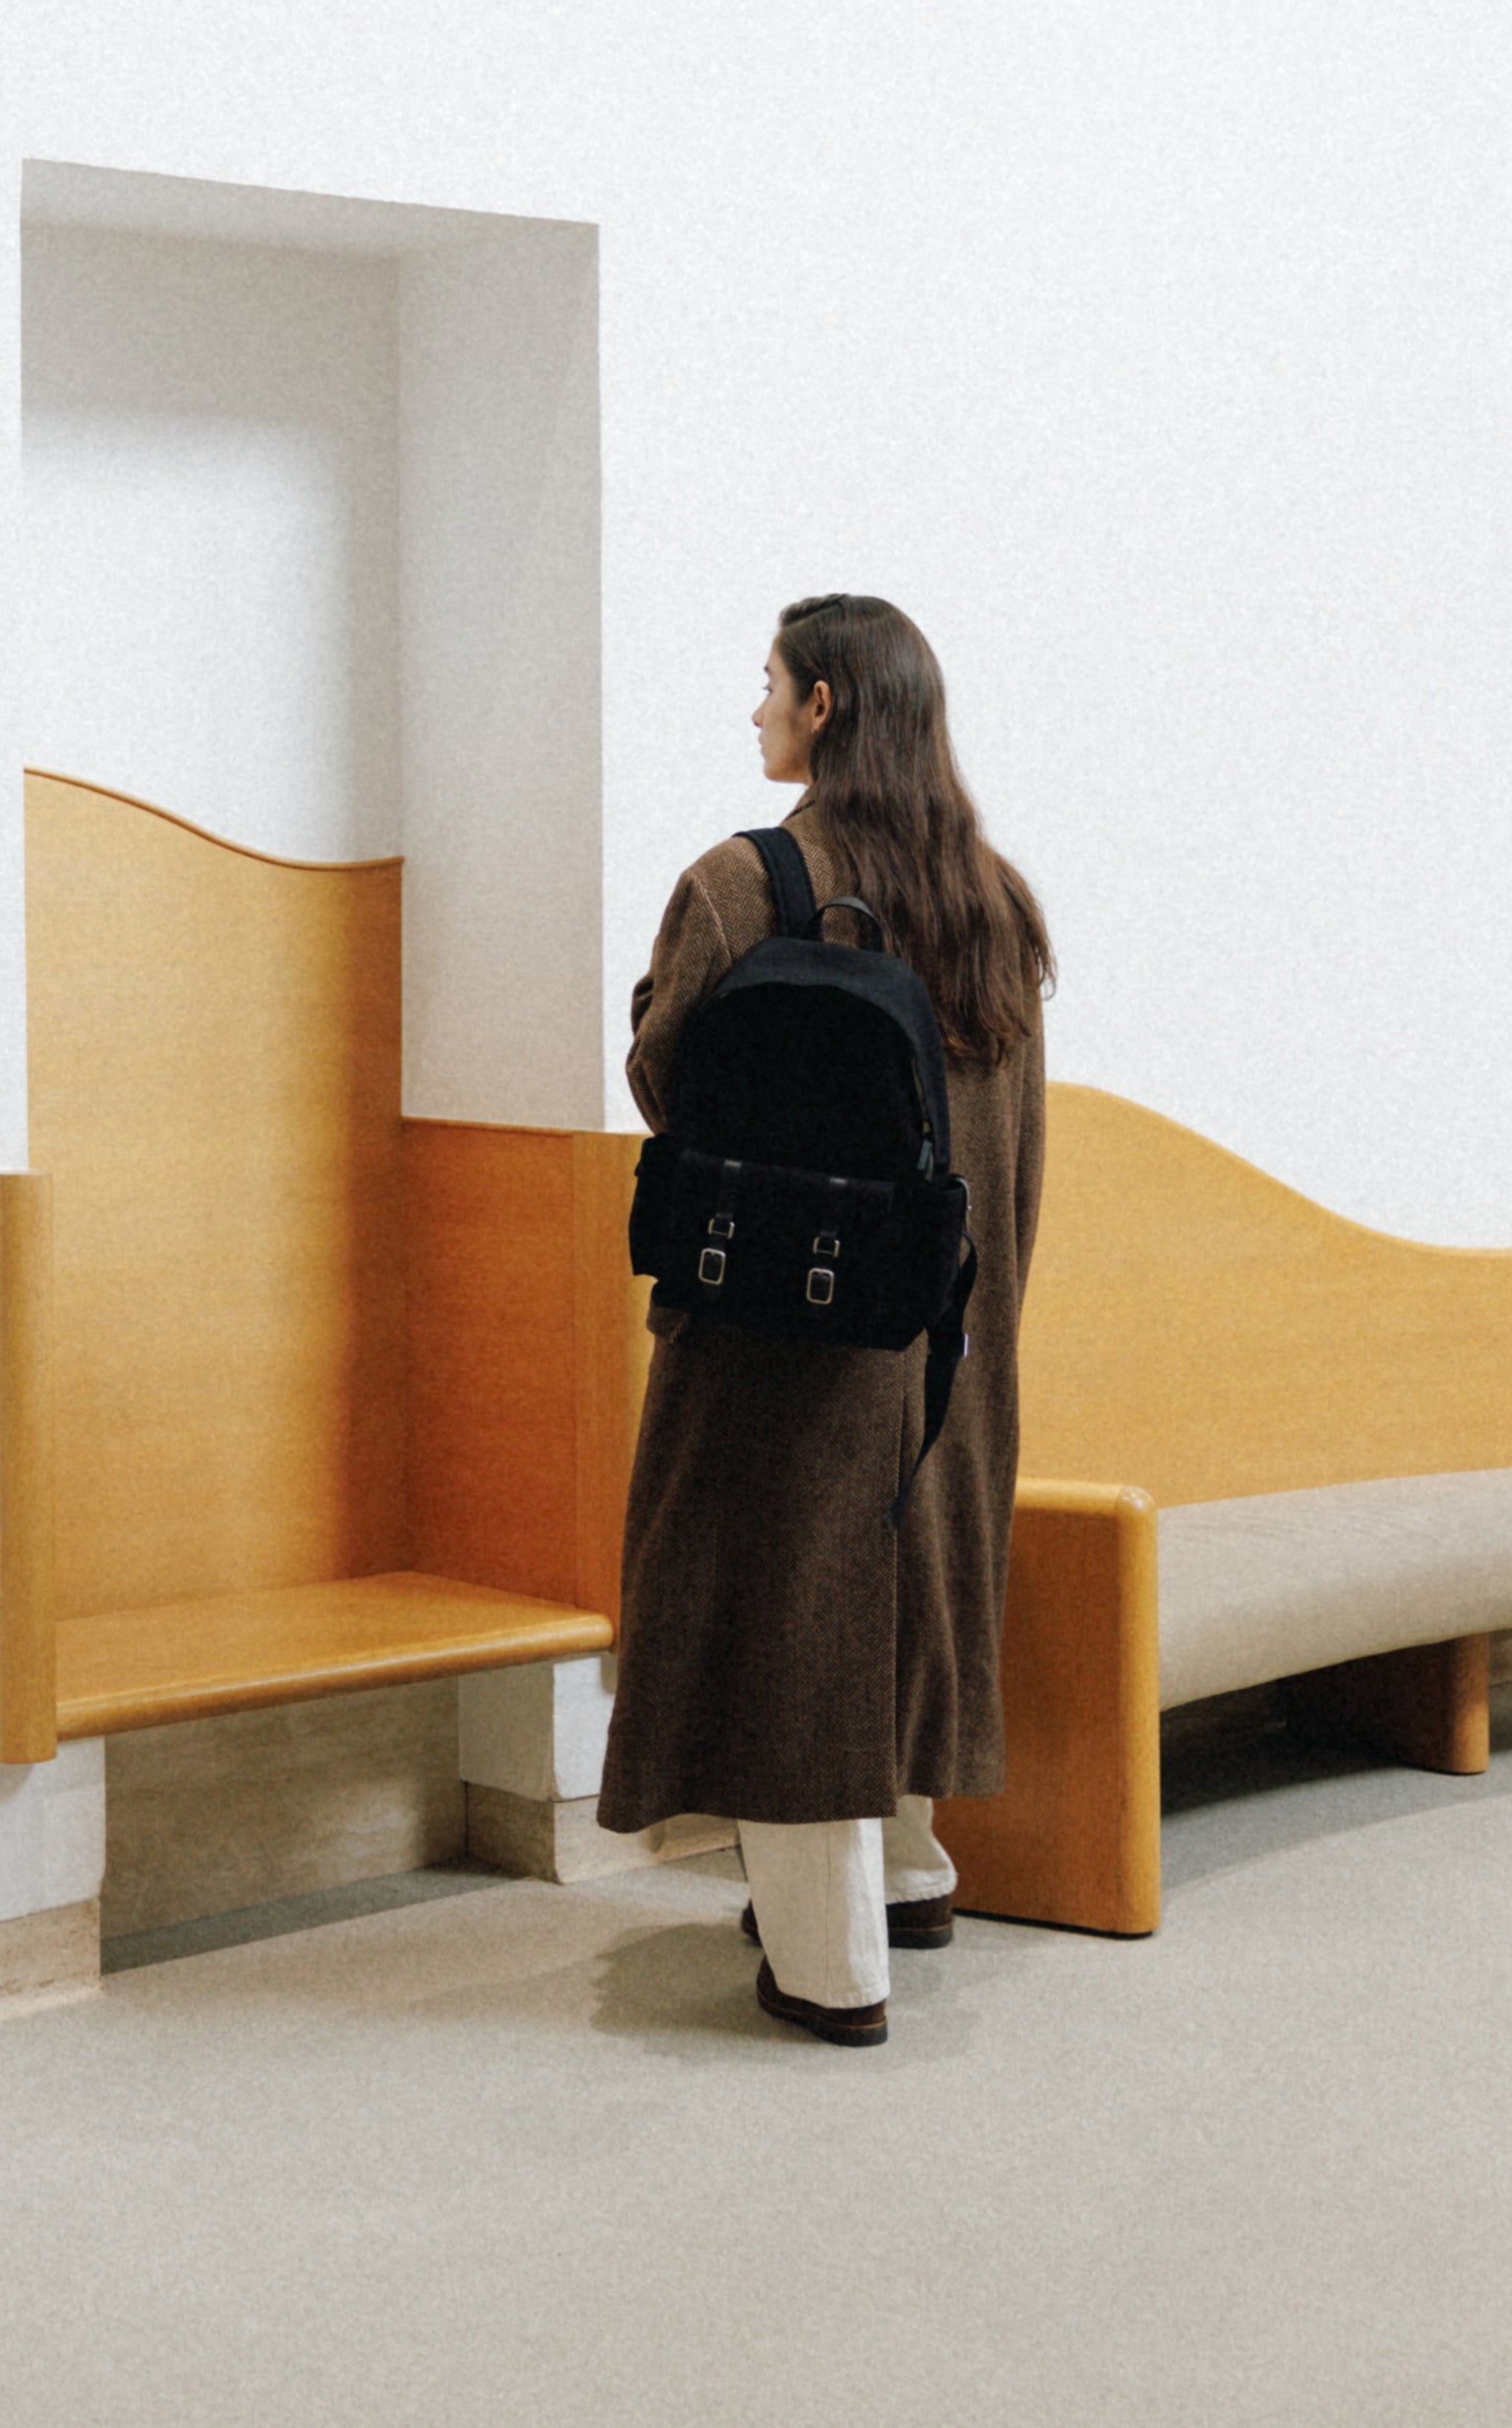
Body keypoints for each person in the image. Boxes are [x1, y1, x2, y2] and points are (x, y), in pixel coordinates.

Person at [595, 593, 1052, 2046]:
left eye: (770, 684)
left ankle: (830, 1966)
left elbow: (670, 1084)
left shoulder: (743, 883)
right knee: (909, 1590)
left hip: (783, 1337)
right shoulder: (991, 898)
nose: (755, 710)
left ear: (825, 706)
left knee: (783, 1616)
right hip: (948, 1326)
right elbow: (1017, 1148)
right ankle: (910, 1875)